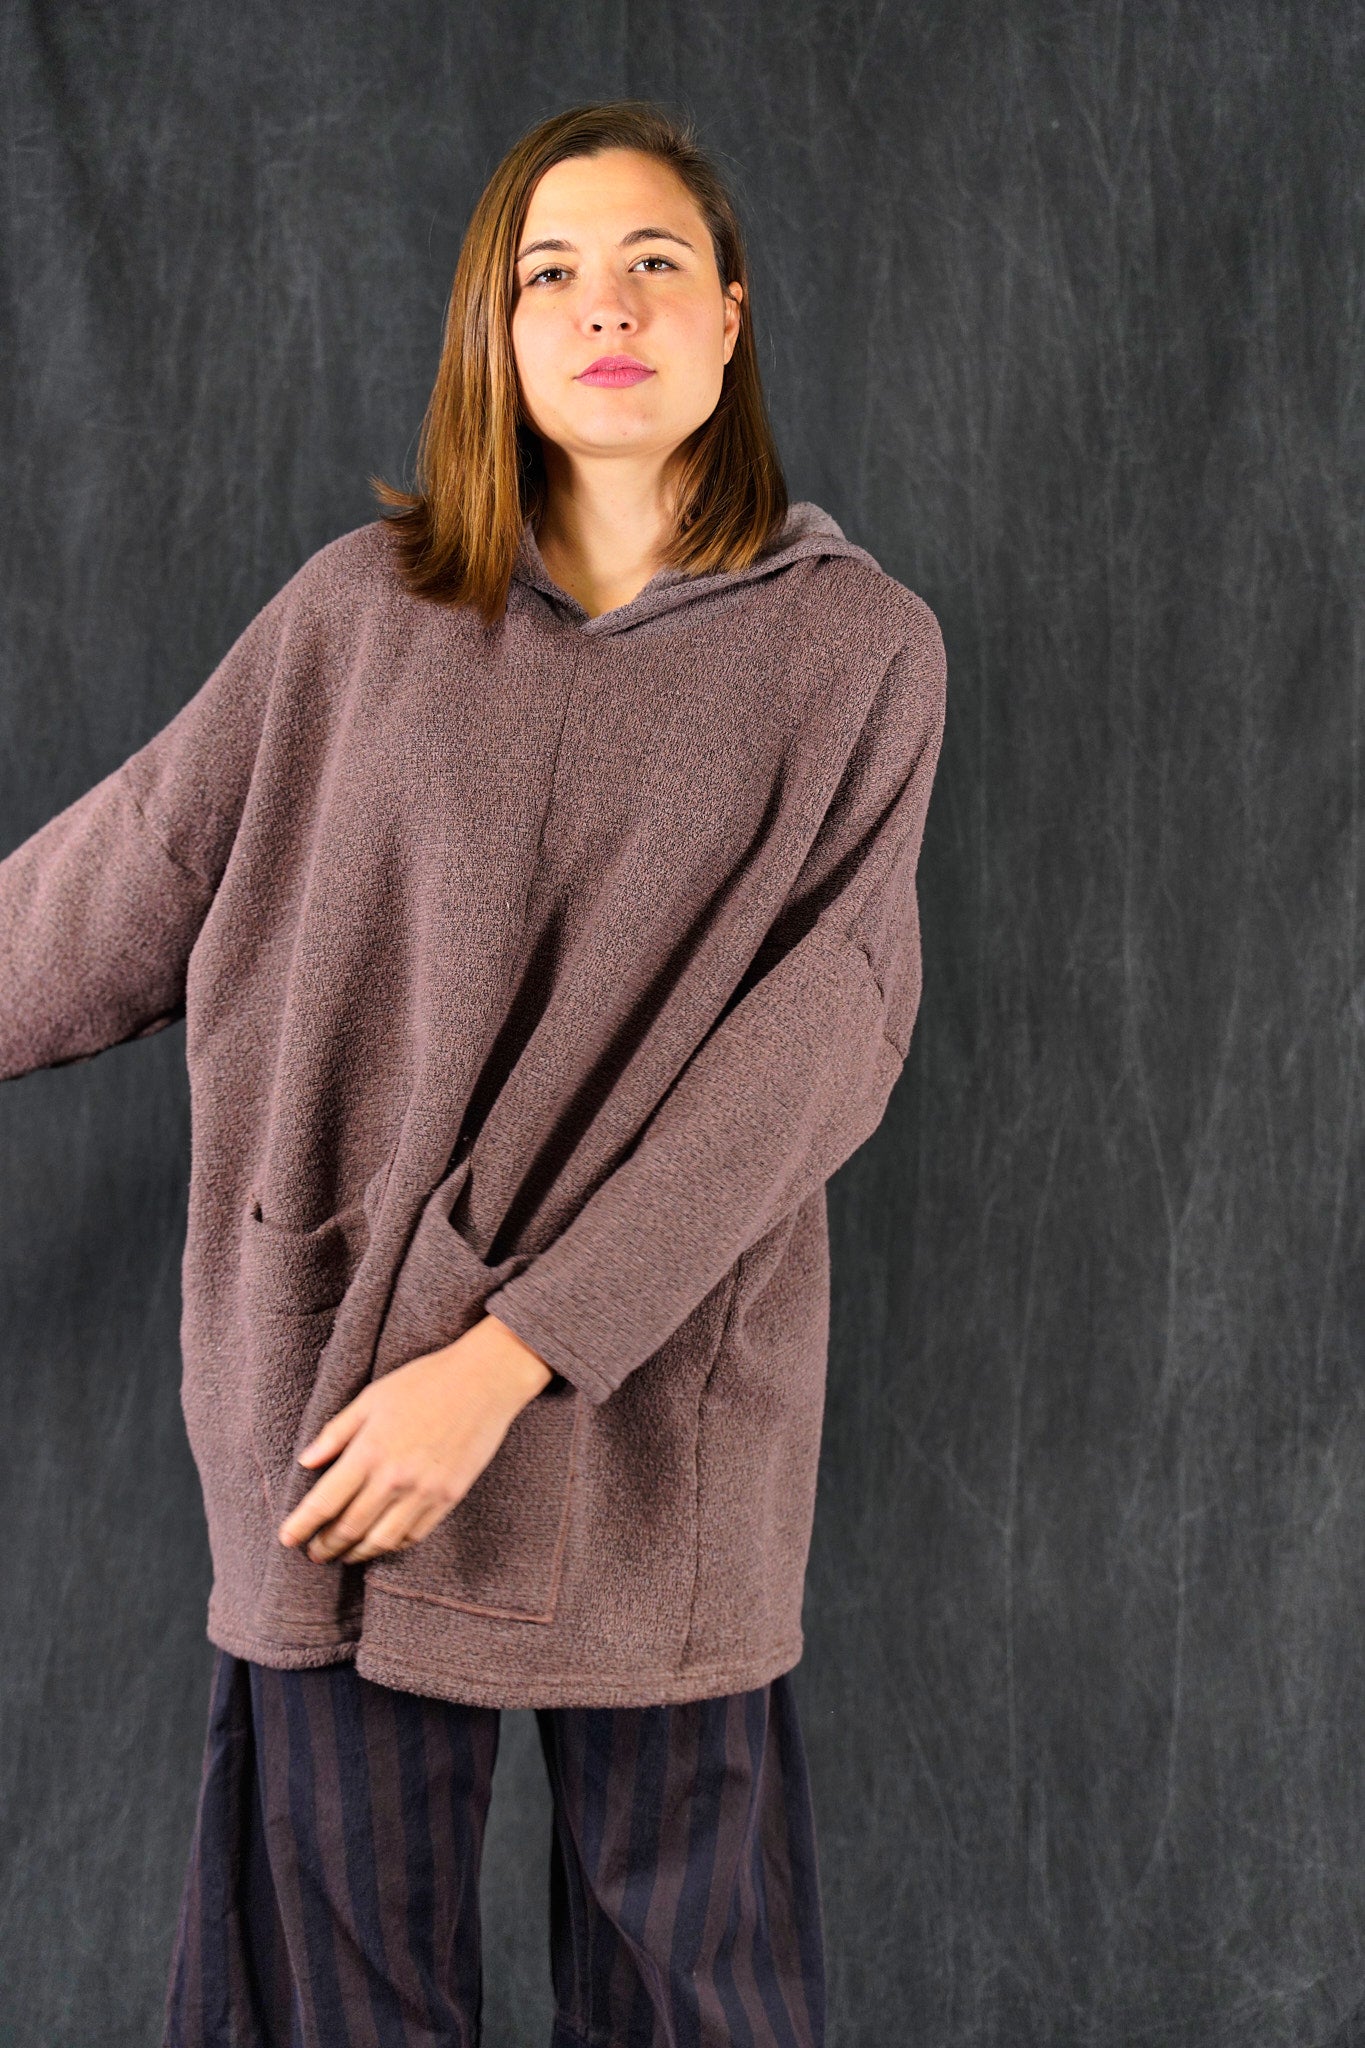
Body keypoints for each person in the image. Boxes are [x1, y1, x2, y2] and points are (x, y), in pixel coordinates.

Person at [0, 98, 947, 2047]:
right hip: (341, 1400)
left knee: (693, 1984)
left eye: (653, 264)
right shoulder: (358, 614)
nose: (604, 306)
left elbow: (820, 1045)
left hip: (652, 1420)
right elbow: (120, 880)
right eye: (550, 273)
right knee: (329, 1987)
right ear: (493, 334)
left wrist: (513, 1354)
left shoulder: (857, 651)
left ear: (729, 316)